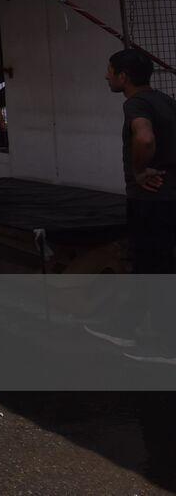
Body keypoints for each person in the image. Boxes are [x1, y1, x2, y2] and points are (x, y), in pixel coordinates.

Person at [94, 49, 176, 362]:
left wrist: (141, 170)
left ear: (123, 76)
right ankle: (124, 327)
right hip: (169, 199)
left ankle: (167, 346)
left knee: (154, 269)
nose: (106, 76)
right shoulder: (167, 101)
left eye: (110, 70)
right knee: (154, 267)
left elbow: (144, 138)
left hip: (151, 201)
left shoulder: (136, 104)